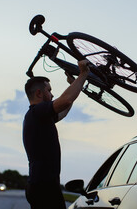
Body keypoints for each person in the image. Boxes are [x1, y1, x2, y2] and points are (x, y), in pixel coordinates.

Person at [23, 60, 90, 209]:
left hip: (42, 184)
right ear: (39, 93)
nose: (52, 95)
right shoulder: (37, 112)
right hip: (43, 186)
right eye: (49, 90)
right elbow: (65, 100)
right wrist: (83, 74)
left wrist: (73, 84)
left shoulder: (40, 117)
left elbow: (63, 110)